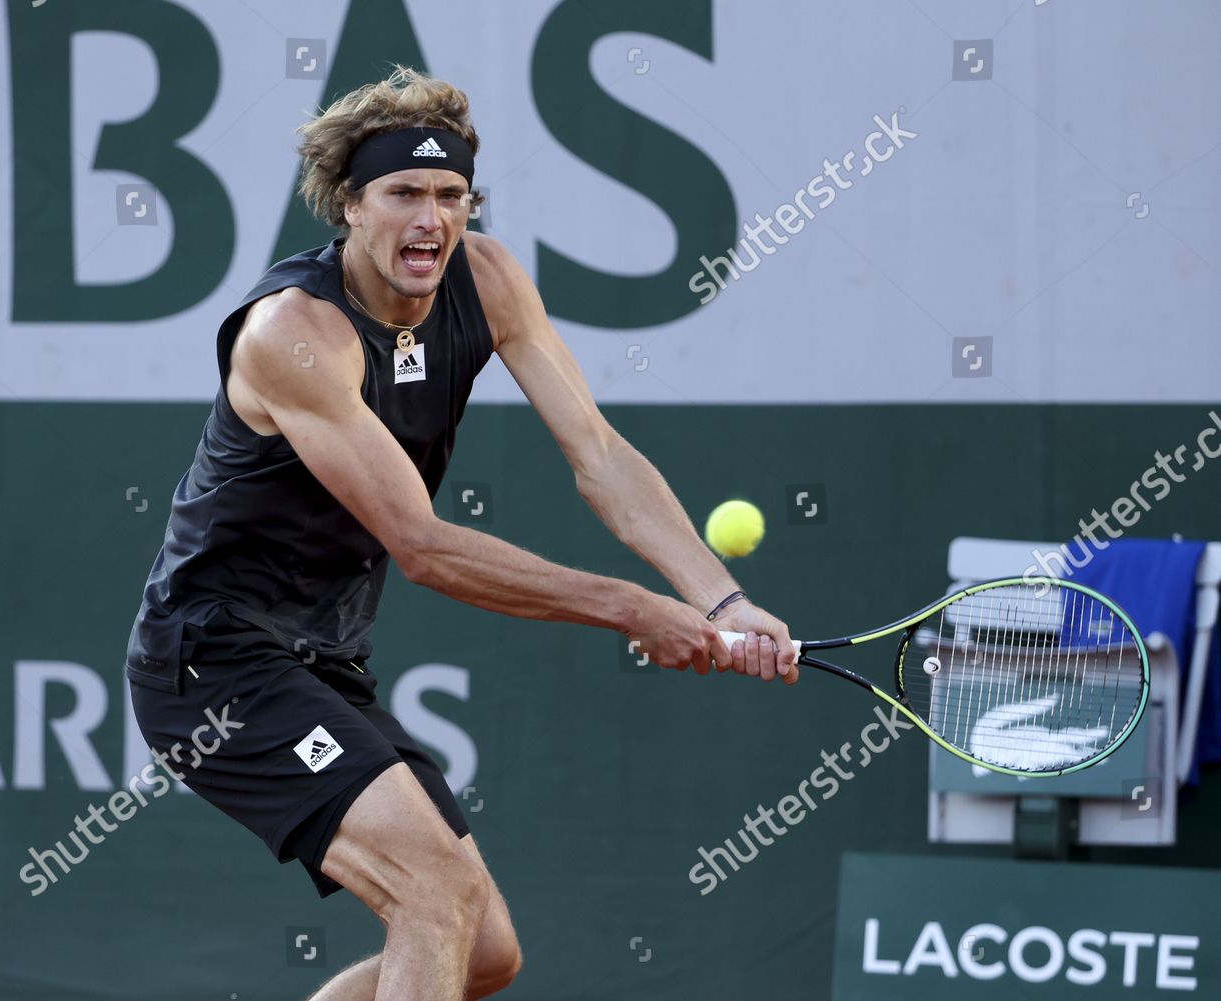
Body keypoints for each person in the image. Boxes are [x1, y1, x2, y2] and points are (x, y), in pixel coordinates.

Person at [125, 66, 798, 1001]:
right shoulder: (293, 334)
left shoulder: (485, 278)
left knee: (482, 951)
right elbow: (423, 545)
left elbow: (598, 454)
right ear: (351, 207)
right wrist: (635, 607)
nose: (431, 220)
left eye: (451, 196)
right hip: (215, 663)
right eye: (403, 194)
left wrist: (720, 597)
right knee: (434, 894)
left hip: (322, 658)